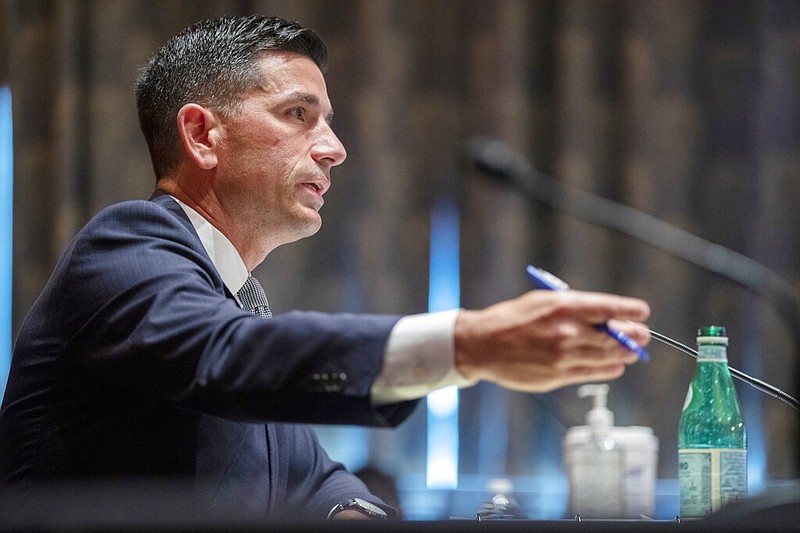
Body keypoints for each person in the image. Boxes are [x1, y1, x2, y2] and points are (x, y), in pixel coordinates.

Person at [0, 14, 650, 521]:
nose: (335, 149)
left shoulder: (226, 305)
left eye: (329, 122)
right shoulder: (125, 247)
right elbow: (231, 358)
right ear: (202, 135)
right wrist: (467, 342)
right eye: (297, 115)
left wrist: (350, 510)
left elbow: (312, 473)